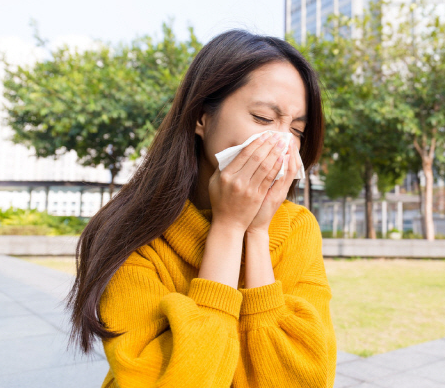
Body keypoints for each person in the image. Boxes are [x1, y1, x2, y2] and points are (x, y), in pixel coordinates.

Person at [64, 29, 337, 387]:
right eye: (263, 119)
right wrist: (228, 227)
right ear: (201, 116)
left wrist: (255, 232)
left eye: (297, 130)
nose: (283, 143)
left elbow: (304, 378)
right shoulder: (130, 234)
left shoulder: (297, 227)